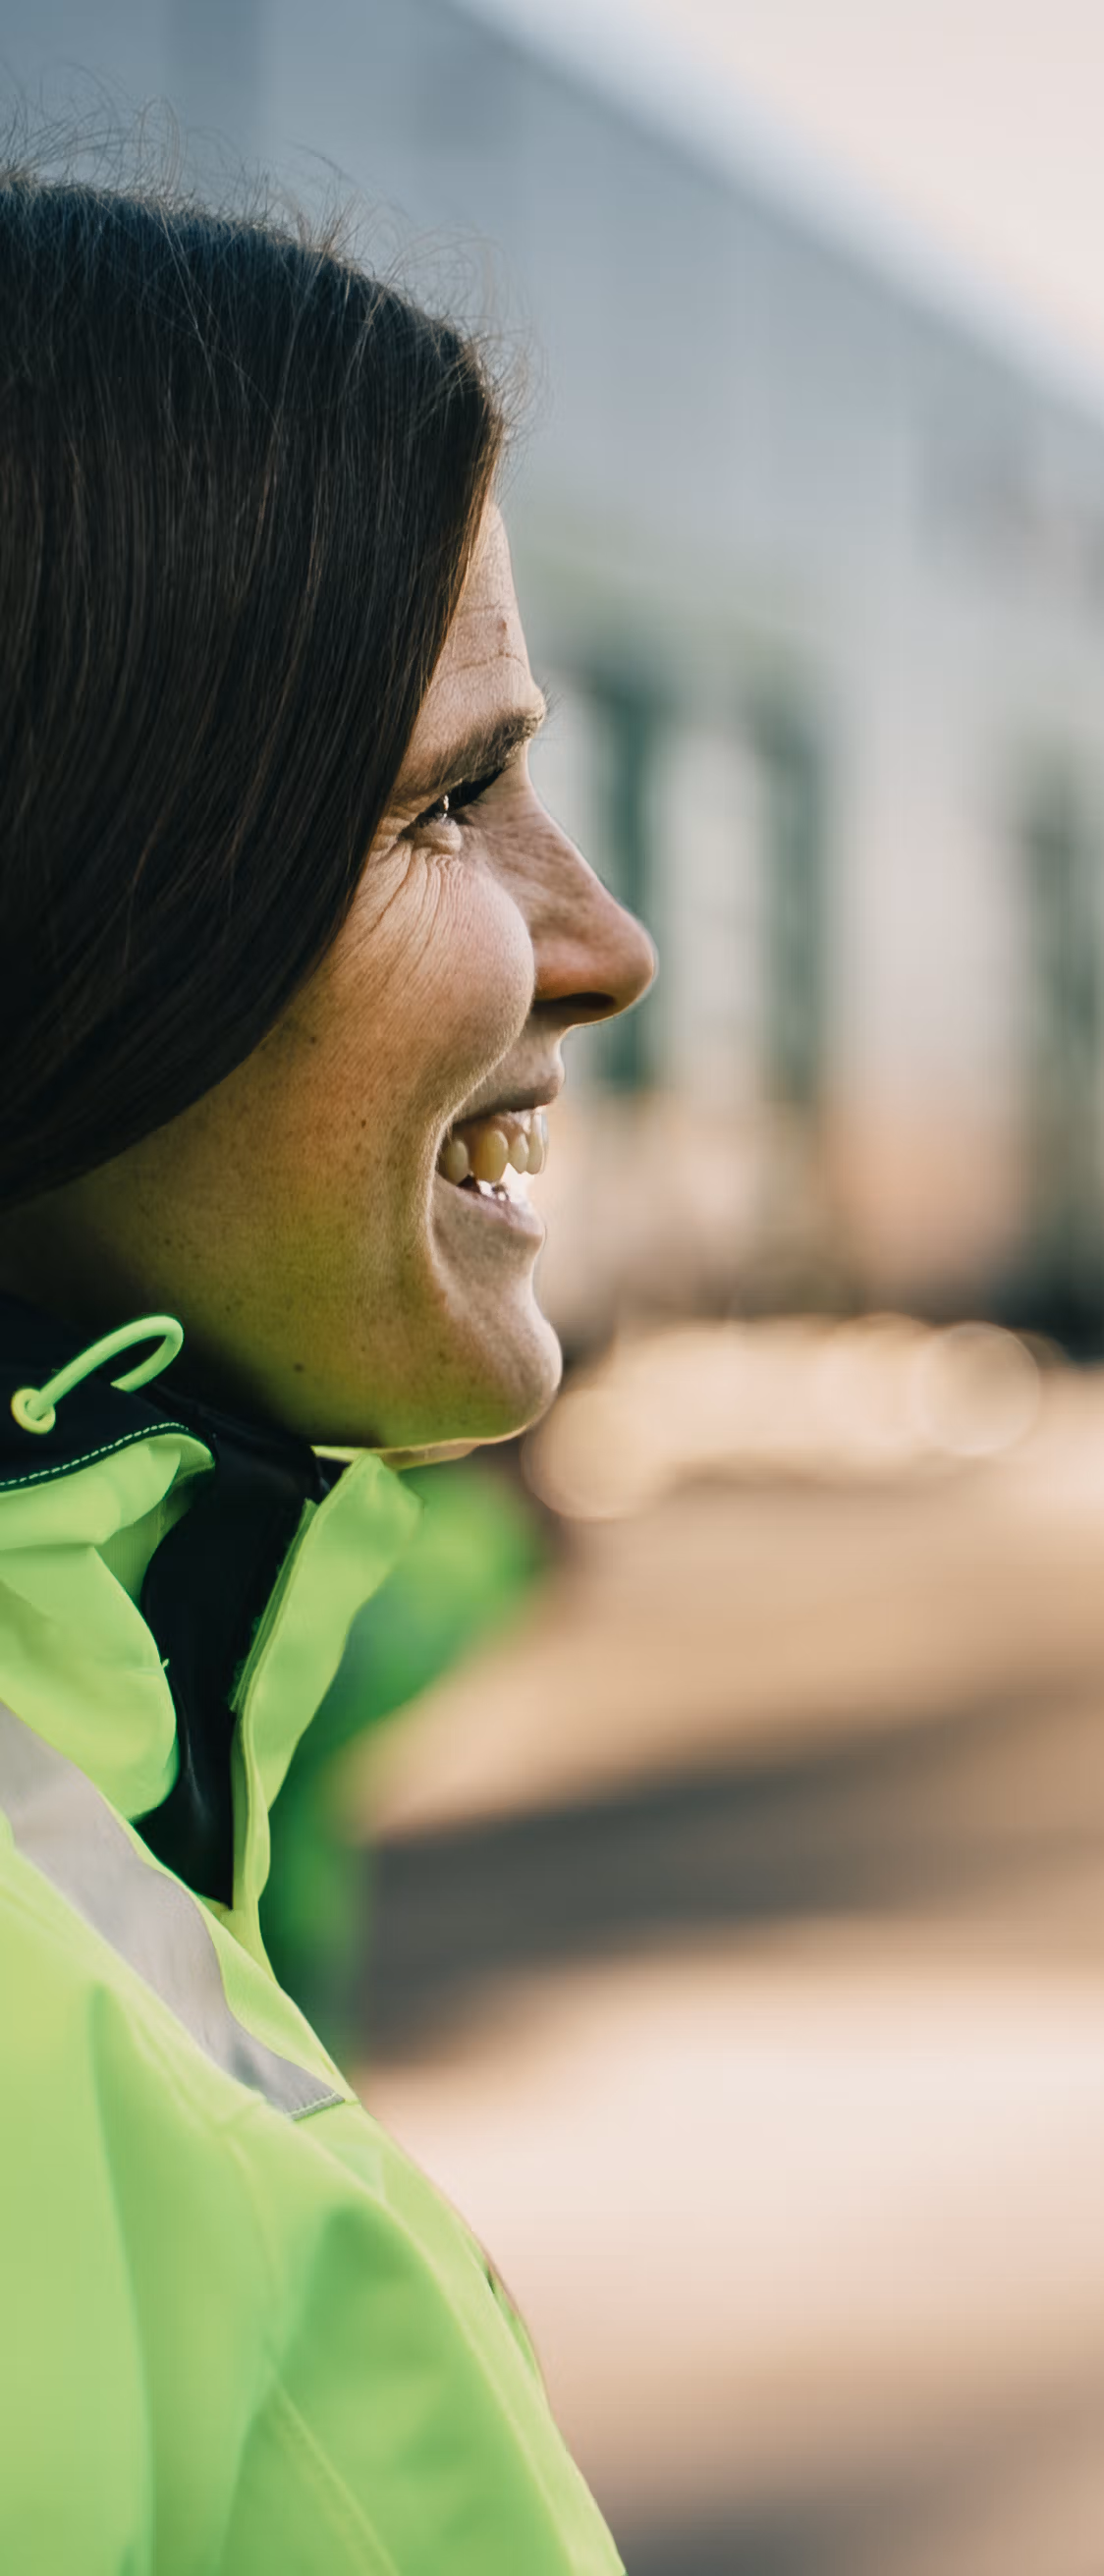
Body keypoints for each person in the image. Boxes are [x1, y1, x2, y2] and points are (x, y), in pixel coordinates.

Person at [0, 173, 655, 2568]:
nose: (607, 941)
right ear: (87, 880)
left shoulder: (165, 1655)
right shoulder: (55, 2096)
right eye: (451, 796)